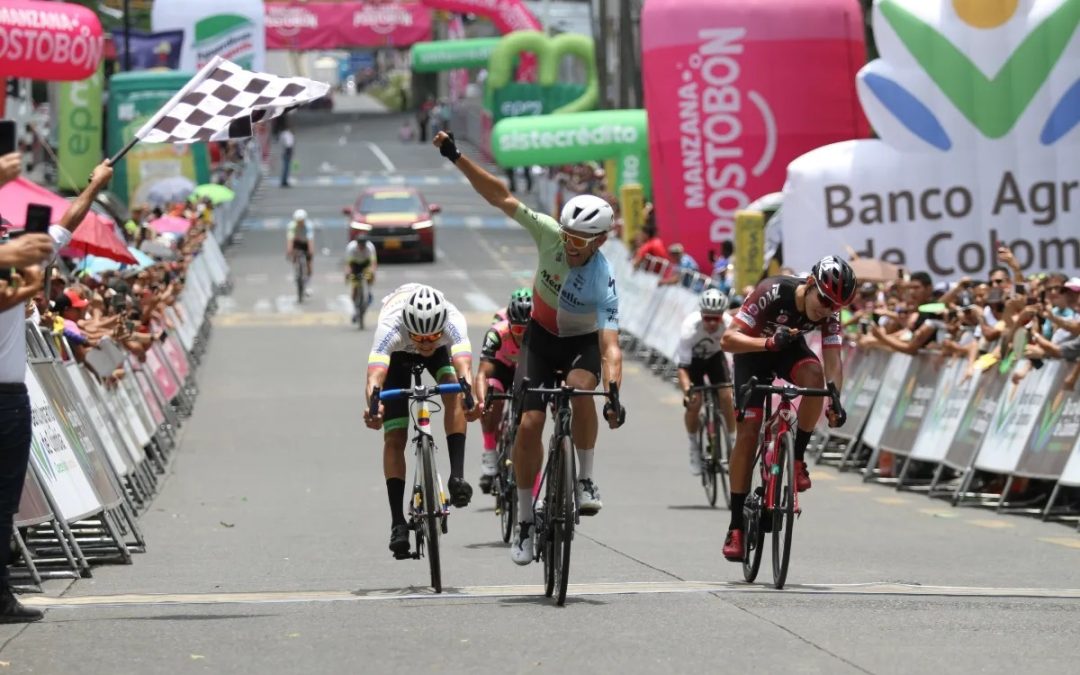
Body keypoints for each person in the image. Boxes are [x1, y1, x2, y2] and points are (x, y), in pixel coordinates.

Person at [432, 131, 626, 567]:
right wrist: (458, 157)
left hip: (579, 344)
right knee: (527, 425)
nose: (570, 247)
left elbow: (611, 348)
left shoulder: (603, 280)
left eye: (580, 242)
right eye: (569, 238)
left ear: (600, 242)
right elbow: (500, 197)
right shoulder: (550, 234)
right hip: (539, 338)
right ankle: (523, 519)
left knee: (579, 393)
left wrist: (613, 393)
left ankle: (587, 480)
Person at [0, 158, 113, 622]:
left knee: (4, 504)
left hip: (11, 400)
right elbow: (62, 225)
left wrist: (92, 187)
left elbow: (63, 225)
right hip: (6, 402)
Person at [719, 255, 855, 561]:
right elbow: (728, 340)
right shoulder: (773, 290)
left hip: (787, 350)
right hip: (753, 351)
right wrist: (766, 344)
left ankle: (796, 459)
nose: (827, 308)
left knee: (815, 377)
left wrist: (834, 400)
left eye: (835, 305)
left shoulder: (830, 313)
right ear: (809, 284)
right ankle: (736, 525)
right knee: (748, 432)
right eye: (823, 298)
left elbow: (833, 362)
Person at [363, 284, 481, 558]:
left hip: (443, 352)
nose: (426, 343)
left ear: (442, 326)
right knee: (394, 435)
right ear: (408, 327)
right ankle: (397, 524)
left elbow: (464, 367)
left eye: (433, 336)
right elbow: (374, 377)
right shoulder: (391, 327)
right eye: (420, 337)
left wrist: (469, 397)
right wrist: (373, 407)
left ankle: (457, 476)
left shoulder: (452, 321)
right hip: (399, 355)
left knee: (454, 387)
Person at [473, 288, 533, 493]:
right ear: (509, 323)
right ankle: (490, 451)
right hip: (500, 367)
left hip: (522, 368)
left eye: (526, 331)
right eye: (516, 330)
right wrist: (482, 402)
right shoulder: (497, 331)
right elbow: (482, 373)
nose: (521, 335)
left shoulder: (538, 332)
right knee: (493, 399)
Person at [676, 289, 735, 475]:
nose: (710, 323)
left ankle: (732, 445)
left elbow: (738, 355)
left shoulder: (730, 324)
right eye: (707, 318)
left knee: (726, 395)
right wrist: (687, 391)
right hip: (693, 363)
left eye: (715, 319)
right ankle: (694, 446)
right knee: (695, 403)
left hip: (715, 358)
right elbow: (682, 367)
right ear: (701, 314)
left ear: (722, 316)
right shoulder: (689, 329)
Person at [345, 234, 377, 323]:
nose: (362, 248)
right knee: (354, 287)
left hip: (366, 264)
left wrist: (372, 273)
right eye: (360, 245)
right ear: (357, 244)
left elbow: (373, 263)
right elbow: (348, 265)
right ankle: (355, 309)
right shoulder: (351, 248)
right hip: (355, 264)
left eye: (363, 246)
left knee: (370, 274)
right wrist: (347, 274)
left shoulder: (370, 248)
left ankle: (369, 291)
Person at [286, 209, 315, 282]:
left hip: (305, 243)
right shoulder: (291, 225)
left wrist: (311, 251)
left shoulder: (309, 225)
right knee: (293, 253)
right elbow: (290, 239)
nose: (300, 223)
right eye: (298, 221)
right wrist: (289, 251)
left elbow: (310, 240)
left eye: (301, 221)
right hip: (297, 242)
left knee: (309, 262)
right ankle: (296, 269)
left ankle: (308, 281)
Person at [279, 123, 295, 188]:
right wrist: (290, 153)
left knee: (285, 167)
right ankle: (284, 181)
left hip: (284, 151)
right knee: (286, 168)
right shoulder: (288, 134)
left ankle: (284, 180)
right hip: (287, 152)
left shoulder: (283, 133)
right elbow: (289, 144)